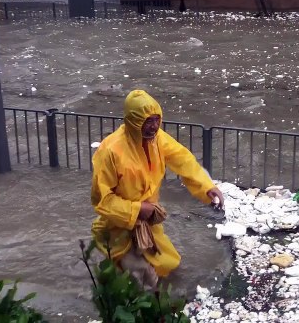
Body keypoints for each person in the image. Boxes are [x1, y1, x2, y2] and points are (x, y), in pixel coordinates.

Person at [90, 89, 224, 289]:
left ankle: (121, 276)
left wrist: (207, 186)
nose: (154, 126)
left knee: (168, 264)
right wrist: (137, 209)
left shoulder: (158, 139)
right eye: (148, 121)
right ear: (133, 121)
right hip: (117, 226)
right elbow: (102, 200)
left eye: (156, 120)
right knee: (143, 277)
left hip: (148, 220)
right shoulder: (110, 151)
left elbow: (183, 160)